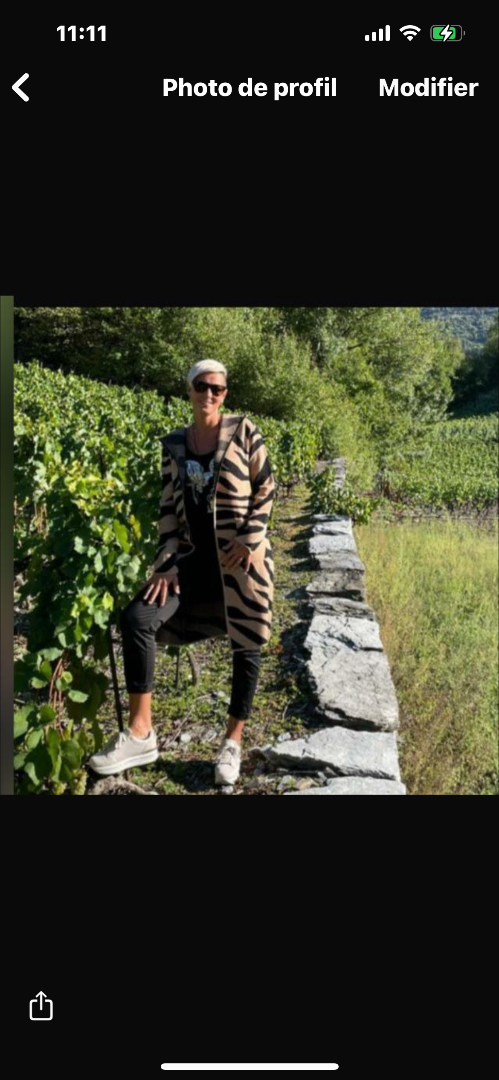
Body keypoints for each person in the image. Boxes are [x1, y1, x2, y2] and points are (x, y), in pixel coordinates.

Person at [88, 359, 275, 788]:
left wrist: (250, 538)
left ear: (225, 394)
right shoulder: (174, 445)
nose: (210, 394)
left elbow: (266, 487)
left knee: (247, 643)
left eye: (218, 389)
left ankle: (232, 741)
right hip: (189, 563)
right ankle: (141, 732)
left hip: (239, 563)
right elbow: (168, 509)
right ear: (188, 390)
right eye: (202, 386)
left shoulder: (244, 431)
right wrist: (166, 562)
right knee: (138, 618)